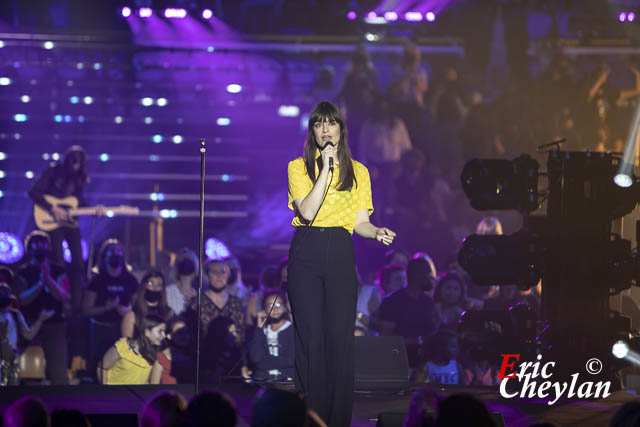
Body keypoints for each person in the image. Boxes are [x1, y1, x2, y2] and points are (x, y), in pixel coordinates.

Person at [287, 101, 396, 426]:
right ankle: (311, 416)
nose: (325, 129)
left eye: (330, 124)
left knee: (339, 337)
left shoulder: (359, 171)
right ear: (313, 131)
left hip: (340, 250)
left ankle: (336, 420)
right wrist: (325, 169)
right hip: (307, 249)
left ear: (340, 129)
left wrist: (376, 232)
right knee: (312, 338)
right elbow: (306, 212)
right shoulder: (298, 167)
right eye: (318, 124)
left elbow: (359, 221)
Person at [28, 145, 93, 313]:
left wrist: (94, 209)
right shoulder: (53, 171)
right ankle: (58, 299)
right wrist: (52, 208)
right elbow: (34, 192)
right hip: (52, 220)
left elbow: (77, 201)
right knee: (58, 260)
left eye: (78, 162)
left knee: (78, 261)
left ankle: (76, 305)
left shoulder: (79, 178)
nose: (75, 165)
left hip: (70, 222)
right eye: (73, 161)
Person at [14, 230, 69, 384]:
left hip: (55, 326)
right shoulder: (23, 271)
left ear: (49, 247)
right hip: (30, 325)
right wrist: (40, 283)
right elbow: (21, 299)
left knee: (58, 374)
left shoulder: (59, 269)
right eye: (36, 243)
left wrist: (48, 279)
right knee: (30, 374)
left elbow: (63, 296)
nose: (40, 247)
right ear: (29, 247)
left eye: (43, 243)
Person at [83, 239, 138, 381]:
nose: (116, 254)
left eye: (119, 251)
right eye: (112, 251)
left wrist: (127, 311)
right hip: (100, 331)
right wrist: (106, 308)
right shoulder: (97, 280)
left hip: (122, 330)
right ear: (105, 255)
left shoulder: (130, 280)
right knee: (99, 368)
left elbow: (138, 307)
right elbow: (87, 310)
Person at [379, 257, 439, 367]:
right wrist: (418, 341)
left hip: (424, 365)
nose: (432, 278)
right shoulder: (392, 302)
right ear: (417, 275)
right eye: (428, 274)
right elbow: (385, 337)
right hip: (397, 363)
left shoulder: (429, 303)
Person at [0, 282, 54, 385]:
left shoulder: (15, 314)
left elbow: (28, 335)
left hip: (12, 358)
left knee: (12, 389)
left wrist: (40, 319)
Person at [99, 314, 166, 385]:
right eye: (160, 331)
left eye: (164, 332)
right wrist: (106, 391)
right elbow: (102, 368)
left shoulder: (155, 352)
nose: (164, 335)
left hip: (134, 394)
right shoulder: (124, 346)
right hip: (115, 394)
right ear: (147, 332)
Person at [248, 291, 294, 381]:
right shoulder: (260, 331)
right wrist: (259, 328)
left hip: (287, 383)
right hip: (263, 382)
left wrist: (261, 363)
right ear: (264, 310)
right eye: (270, 305)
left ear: (285, 308)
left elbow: (291, 360)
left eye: (278, 305)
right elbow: (255, 358)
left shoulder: (292, 330)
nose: (275, 309)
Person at [121, 270, 171, 338]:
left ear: (162, 288)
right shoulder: (132, 315)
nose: (154, 288)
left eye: (158, 285)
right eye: (150, 284)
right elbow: (126, 344)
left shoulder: (168, 313)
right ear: (144, 285)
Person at [165, 248, 198, 316]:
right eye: (183, 261)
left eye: (189, 260)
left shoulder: (201, 292)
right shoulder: (169, 292)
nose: (186, 264)